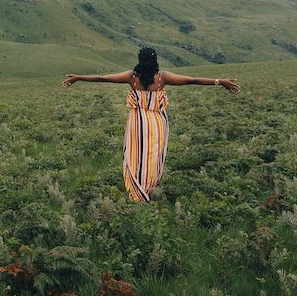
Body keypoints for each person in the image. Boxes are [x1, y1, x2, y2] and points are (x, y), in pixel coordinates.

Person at [62, 47, 240, 202]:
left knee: (134, 155)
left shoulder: (132, 77)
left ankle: (136, 192)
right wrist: (219, 82)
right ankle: (150, 188)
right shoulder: (162, 78)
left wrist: (78, 77)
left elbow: (102, 78)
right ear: (155, 61)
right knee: (153, 156)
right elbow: (192, 80)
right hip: (156, 123)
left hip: (137, 122)